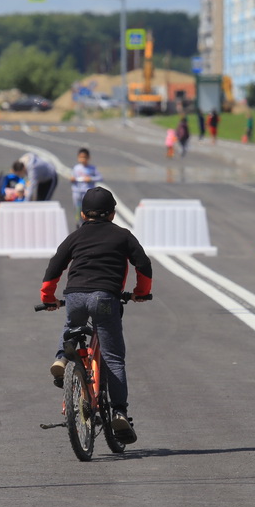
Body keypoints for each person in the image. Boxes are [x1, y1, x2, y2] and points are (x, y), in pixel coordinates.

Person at [39, 187, 152, 444]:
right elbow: (142, 263)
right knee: (113, 358)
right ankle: (120, 412)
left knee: (71, 326)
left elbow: (54, 267)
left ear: (82, 213)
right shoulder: (122, 236)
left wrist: (48, 299)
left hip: (76, 296)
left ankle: (61, 360)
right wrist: (141, 292)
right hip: (105, 298)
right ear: (113, 214)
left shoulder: (75, 237)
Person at [70, 148, 102, 225]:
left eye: (84, 157)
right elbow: (72, 178)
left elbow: (100, 178)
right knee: (77, 209)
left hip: (87, 192)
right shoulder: (76, 168)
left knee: (87, 209)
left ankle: (87, 223)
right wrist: (72, 179)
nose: (82, 159)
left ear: (88, 158)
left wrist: (91, 179)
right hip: (77, 192)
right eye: (81, 157)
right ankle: (78, 223)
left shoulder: (92, 168)